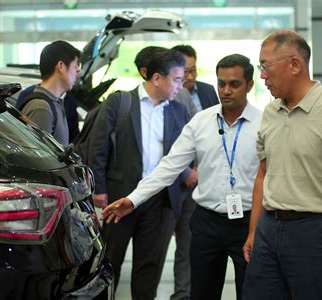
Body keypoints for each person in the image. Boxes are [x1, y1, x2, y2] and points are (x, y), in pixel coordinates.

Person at [102, 54, 262, 300]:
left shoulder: (264, 124)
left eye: (234, 84)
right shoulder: (201, 121)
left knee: (251, 293)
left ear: (249, 86)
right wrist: (133, 199)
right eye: (221, 83)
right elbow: (169, 166)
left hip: (248, 223)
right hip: (207, 223)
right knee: (201, 294)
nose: (226, 90)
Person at [243, 30, 322, 300]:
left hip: (314, 230)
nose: (262, 75)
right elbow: (263, 174)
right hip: (268, 228)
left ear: (294, 65)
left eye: (265, 66)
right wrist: (253, 231)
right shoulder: (271, 111)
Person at [88, 48, 190, 300]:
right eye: (176, 79)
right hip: (120, 196)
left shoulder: (178, 111)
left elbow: (183, 155)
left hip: (159, 200)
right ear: (157, 78)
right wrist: (98, 189)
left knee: (149, 266)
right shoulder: (120, 102)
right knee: (109, 262)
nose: (181, 85)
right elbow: (98, 146)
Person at [170, 44, 220, 300]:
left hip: (204, 181)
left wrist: (201, 169)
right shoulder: (171, 96)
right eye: (184, 71)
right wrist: (187, 172)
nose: (189, 76)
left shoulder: (211, 91)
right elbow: (169, 142)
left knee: (189, 245)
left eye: (193, 70)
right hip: (177, 181)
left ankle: (184, 294)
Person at [19, 40, 80, 145]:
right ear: (61, 66)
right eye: (75, 66)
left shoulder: (55, 103)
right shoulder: (41, 108)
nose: (77, 73)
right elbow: (37, 159)